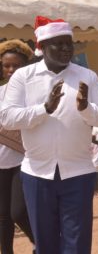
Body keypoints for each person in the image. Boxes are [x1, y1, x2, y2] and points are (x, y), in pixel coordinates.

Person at [0, 16, 98, 254]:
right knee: (45, 242)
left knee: (77, 241)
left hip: (79, 172)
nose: (66, 49)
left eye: (69, 43)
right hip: (37, 173)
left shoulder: (87, 76)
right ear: (42, 47)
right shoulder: (24, 77)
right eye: (58, 44)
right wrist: (44, 109)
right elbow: (8, 117)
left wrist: (86, 108)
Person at [0, 39, 35, 254]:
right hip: (1, 161)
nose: (11, 70)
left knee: (19, 213)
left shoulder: (33, 94)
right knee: (2, 216)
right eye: (7, 65)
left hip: (24, 161)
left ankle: (42, 241)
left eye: (16, 65)